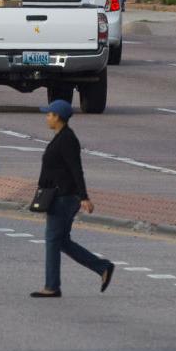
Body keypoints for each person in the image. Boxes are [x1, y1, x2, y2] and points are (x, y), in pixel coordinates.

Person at [31, 99, 113, 298]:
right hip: (59, 196)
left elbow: (76, 169)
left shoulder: (67, 139)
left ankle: (51, 286)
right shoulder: (60, 137)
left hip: (64, 197)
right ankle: (102, 267)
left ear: (58, 117)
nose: (47, 118)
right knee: (62, 241)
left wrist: (84, 196)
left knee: (52, 240)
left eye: (49, 114)